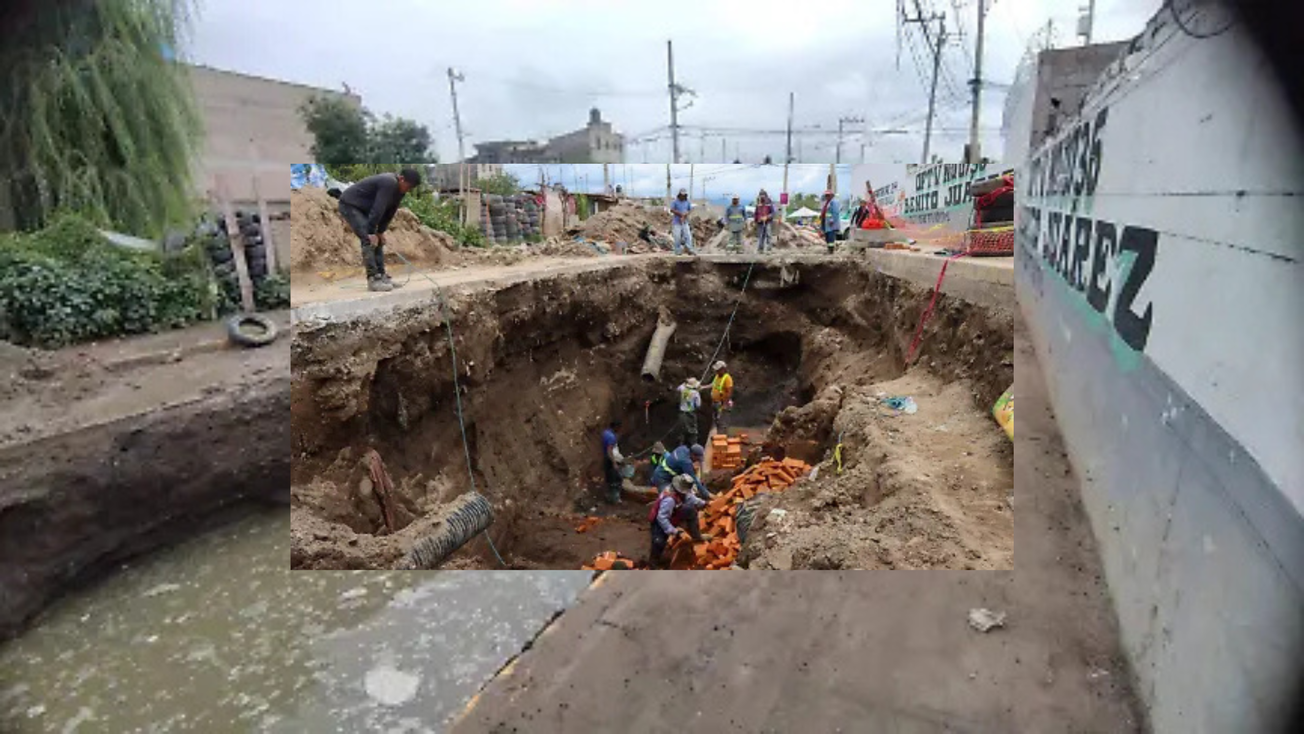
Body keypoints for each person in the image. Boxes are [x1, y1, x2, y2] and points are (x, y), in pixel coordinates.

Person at [338, 168, 422, 292]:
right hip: (350, 204)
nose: (408, 190)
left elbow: (390, 212)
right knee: (368, 239)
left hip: (363, 208)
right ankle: (373, 279)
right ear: (402, 179)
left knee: (379, 240)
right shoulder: (388, 182)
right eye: (408, 187)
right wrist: (371, 232)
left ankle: (382, 276)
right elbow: (378, 209)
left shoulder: (400, 190)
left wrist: (380, 231)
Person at [648, 475, 710, 569]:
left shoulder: (682, 491)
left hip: (674, 512)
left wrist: (704, 504)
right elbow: (662, 518)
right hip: (659, 521)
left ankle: (696, 536)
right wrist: (675, 531)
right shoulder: (669, 499)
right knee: (659, 541)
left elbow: (691, 498)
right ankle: (653, 564)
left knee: (690, 511)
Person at [601, 420, 625, 504]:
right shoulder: (612, 437)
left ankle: (609, 496)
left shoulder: (605, 433)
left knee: (609, 479)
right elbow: (609, 450)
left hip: (606, 459)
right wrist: (614, 463)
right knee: (617, 479)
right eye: (619, 427)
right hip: (611, 460)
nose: (620, 429)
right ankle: (615, 498)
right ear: (615, 427)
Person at [669, 188, 697, 255]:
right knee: (677, 237)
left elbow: (690, 210)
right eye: (682, 195)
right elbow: (672, 210)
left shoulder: (687, 202)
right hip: (677, 222)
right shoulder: (675, 202)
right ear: (679, 195)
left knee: (688, 236)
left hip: (685, 222)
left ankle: (689, 249)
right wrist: (680, 214)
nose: (683, 196)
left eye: (684, 195)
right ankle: (677, 250)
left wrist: (685, 215)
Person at [676, 377, 702, 446]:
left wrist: (685, 383)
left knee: (682, 432)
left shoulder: (682, 388)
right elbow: (698, 405)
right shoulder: (696, 393)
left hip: (681, 413)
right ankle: (694, 447)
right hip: (691, 414)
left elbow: (678, 388)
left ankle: (680, 447)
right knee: (693, 432)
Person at [710, 360, 734, 434]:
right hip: (715, 402)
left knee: (722, 422)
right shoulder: (717, 376)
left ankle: (722, 437)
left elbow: (729, 392)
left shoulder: (727, 378)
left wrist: (725, 404)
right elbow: (713, 385)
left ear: (723, 369)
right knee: (716, 420)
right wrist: (702, 387)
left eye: (718, 370)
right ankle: (718, 434)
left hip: (722, 403)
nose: (716, 371)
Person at [818, 189, 841, 254]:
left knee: (830, 237)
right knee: (827, 236)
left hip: (831, 223)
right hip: (826, 222)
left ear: (831, 195)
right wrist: (821, 215)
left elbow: (836, 212)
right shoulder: (826, 202)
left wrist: (832, 219)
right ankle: (829, 249)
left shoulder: (834, 202)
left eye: (828, 195)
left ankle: (831, 250)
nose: (827, 196)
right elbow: (825, 211)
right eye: (826, 195)